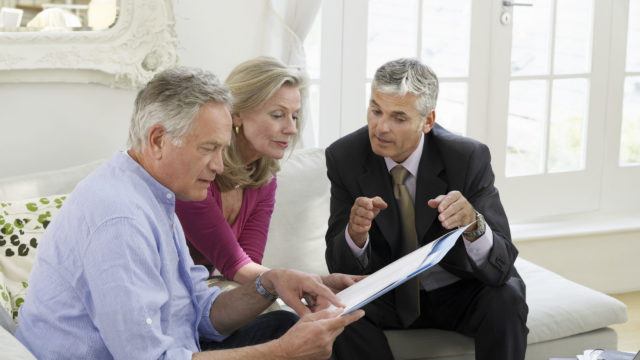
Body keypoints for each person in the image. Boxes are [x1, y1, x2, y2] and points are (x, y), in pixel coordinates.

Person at [15, 66, 363, 360]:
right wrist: (282, 352)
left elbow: (200, 310)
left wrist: (269, 283)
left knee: (290, 326)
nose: (218, 165)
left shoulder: (155, 194)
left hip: (179, 345)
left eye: (223, 149)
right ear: (157, 140)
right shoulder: (120, 219)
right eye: (209, 148)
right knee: (290, 343)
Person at [325, 58, 528, 360]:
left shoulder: (467, 157)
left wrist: (474, 223)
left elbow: (501, 263)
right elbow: (339, 268)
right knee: (334, 314)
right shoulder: (345, 157)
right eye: (376, 110)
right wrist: (355, 235)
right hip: (387, 294)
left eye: (399, 117)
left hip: (457, 291)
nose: (381, 127)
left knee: (506, 297)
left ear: (428, 121)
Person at [175, 57, 303, 285]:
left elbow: (248, 265)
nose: (291, 128)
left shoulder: (264, 180)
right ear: (236, 114)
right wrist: (301, 284)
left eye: (294, 115)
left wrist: (318, 284)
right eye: (277, 115)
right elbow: (235, 265)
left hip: (211, 295)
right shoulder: (198, 170)